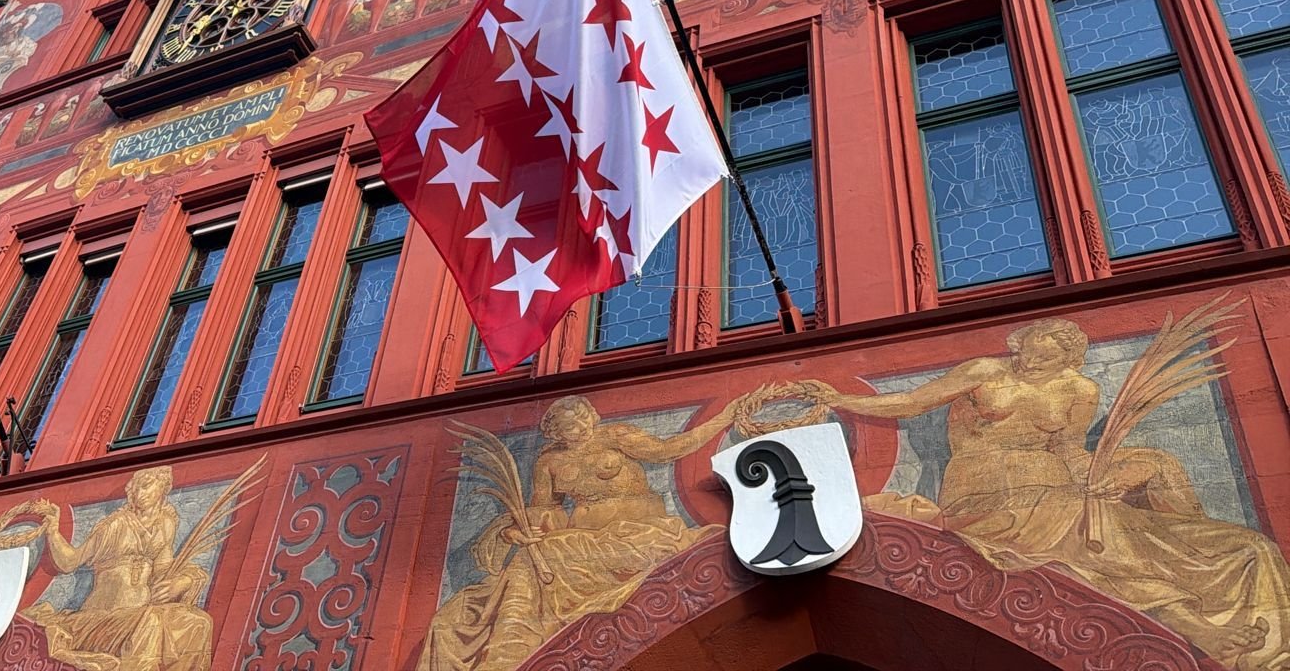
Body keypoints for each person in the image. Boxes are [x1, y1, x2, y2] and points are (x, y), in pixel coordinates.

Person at [791, 318, 1290, 670]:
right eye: (1029, 350)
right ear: (1019, 345)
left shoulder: (1080, 390)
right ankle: (1194, 622)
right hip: (986, 488)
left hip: (1052, 483)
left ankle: (1191, 621)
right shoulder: (984, 372)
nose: (1033, 360)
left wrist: (1102, 479)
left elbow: (1070, 450)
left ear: (1066, 358)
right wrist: (839, 398)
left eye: (1047, 356)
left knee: (1107, 516)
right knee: (1085, 521)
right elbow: (910, 401)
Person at [421, 388, 775, 671]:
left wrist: (724, 418)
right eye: (568, 428)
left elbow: (670, 449)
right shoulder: (549, 461)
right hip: (580, 541)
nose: (578, 431)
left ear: (591, 418)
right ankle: (507, 650)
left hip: (639, 532)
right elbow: (543, 510)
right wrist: (515, 531)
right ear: (555, 433)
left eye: (581, 422)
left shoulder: (616, 437)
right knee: (532, 560)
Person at [23, 466, 229, 671]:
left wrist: (184, 582)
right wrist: (52, 530)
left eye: (146, 486)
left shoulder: (165, 525)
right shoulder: (116, 524)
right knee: (153, 621)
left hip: (137, 614)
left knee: (199, 622)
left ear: (163, 489)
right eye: (136, 488)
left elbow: (163, 575)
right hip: (100, 621)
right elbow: (69, 562)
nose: (140, 493)